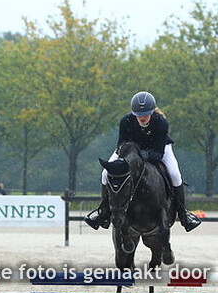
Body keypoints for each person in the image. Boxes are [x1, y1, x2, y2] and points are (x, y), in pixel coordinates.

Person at [84, 91, 201, 232]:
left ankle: (183, 214)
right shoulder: (126, 121)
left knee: (175, 175)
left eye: (145, 114)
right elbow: (122, 146)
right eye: (139, 115)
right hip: (130, 151)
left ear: (152, 112)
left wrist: (139, 157)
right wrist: (130, 158)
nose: (142, 118)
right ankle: (104, 213)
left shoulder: (161, 122)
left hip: (159, 148)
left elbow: (157, 154)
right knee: (105, 173)